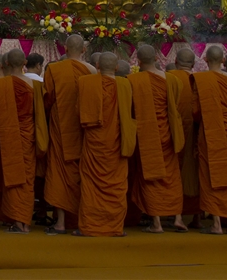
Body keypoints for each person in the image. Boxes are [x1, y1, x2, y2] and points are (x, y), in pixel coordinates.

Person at [75, 52, 135, 236]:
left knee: (91, 183)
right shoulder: (125, 85)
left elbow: (79, 112)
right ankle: (115, 226)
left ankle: (89, 226)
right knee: (116, 185)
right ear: (117, 68)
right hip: (116, 142)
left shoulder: (86, 83)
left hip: (95, 142)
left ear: (97, 66)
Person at [128, 45, 184, 233]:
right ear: (157, 60)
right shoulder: (172, 80)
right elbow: (173, 106)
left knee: (151, 176)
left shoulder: (133, 80)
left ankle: (157, 223)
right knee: (171, 175)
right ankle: (177, 218)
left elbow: (131, 109)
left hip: (147, 134)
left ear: (139, 61)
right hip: (168, 134)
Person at [43, 34, 96, 235]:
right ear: (84, 50)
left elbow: (48, 99)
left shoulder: (54, 69)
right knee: (79, 172)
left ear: (65, 48)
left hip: (60, 126)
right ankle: (80, 218)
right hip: (82, 127)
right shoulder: (91, 70)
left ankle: (61, 222)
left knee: (59, 171)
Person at [0, 49, 44, 233]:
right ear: (25, 62)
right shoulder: (34, 86)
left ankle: (16, 220)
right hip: (27, 136)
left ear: (5, 65)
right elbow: (40, 113)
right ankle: (23, 221)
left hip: (6, 136)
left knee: (10, 175)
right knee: (26, 179)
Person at [192, 45, 227, 235]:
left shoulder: (201, 80)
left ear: (205, 59)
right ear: (223, 61)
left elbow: (196, 113)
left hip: (208, 133)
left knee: (210, 174)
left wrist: (212, 116)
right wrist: (225, 117)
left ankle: (216, 224)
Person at [167, 48, 200, 229]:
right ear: (193, 64)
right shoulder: (201, 81)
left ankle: (172, 214)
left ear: (175, 60)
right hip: (194, 133)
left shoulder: (169, 78)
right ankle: (197, 217)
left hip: (171, 135)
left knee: (172, 172)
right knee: (194, 170)